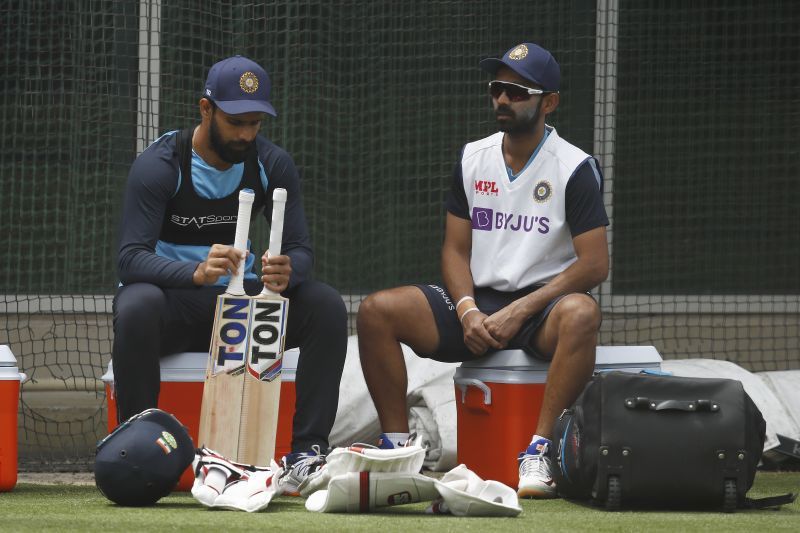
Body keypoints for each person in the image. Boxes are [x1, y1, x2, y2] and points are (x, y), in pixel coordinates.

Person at [357, 43, 609, 499]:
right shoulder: (474, 157)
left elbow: (594, 263)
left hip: (541, 307)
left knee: (583, 314)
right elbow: (455, 250)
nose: (502, 100)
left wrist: (522, 310)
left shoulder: (574, 168)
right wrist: (469, 309)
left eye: (516, 91)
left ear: (548, 102)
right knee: (377, 311)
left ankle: (539, 451)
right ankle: (395, 451)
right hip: (478, 303)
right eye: (497, 89)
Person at [112, 55, 347, 494]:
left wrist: (288, 272)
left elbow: (301, 250)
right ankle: (139, 448)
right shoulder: (161, 163)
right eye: (236, 121)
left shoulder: (271, 164)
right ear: (206, 109)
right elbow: (129, 259)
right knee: (137, 302)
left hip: (241, 309)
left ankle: (306, 455)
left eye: (255, 122)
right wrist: (195, 272)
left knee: (325, 305)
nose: (245, 134)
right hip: (176, 304)